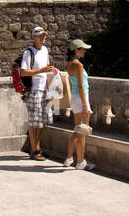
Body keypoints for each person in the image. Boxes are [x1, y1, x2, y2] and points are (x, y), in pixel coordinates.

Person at [20, 26, 57, 161]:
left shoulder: (45, 50)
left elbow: (45, 68)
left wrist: (52, 70)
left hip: (44, 89)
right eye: (40, 36)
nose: (43, 38)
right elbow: (23, 72)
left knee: (44, 120)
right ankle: (35, 150)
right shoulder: (28, 52)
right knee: (35, 121)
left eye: (44, 35)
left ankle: (35, 148)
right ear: (34, 37)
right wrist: (41, 70)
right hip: (34, 89)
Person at [65, 38, 93, 170]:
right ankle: (80, 161)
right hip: (81, 98)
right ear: (76, 50)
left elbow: (72, 85)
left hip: (75, 98)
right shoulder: (79, 65)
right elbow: (81, 86)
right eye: (83, 49)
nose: (85, 51)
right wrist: (86, 105)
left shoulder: (70, 64)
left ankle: (69, 158)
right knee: (81, 131)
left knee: (78, 130)